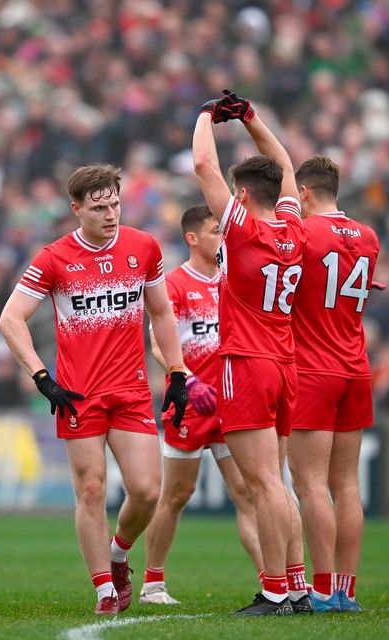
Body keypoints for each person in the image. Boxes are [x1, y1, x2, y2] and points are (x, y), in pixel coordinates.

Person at [0, 164, 189, 615]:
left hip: (131, 389)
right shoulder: (54, 258)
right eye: (99, 207)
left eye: (115, 204)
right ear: (76, 209)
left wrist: (177, 371)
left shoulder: (143, 247)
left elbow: (161, 313)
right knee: (91, 489)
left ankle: (118, 552)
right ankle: (104, 588)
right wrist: (41, 377)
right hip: (79, 394)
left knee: (145, 491)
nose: (110, 214)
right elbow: (10, 318)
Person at [192, 90, 307, 615]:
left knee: (261, 485)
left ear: (241, 192)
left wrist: (205, 114)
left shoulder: (243, 227)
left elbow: (201, 163)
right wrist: (252, 118)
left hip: (246, 362)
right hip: (286, 364)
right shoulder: (293, 226)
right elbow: (284, 164)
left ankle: (276, 591)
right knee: (276, 483)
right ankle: (298, 586)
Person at [140, 204, 263, 606]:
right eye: (215, 231)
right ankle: (152, 583)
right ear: (192, 238)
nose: (223, 237)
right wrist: (186, 379)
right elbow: (158, 342)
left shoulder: (234, 280)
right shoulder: (174, 284)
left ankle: (272, 583)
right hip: (190, 403)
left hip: (231, 402)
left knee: (246, 493)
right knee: (176, 495)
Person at [286, 156, 380, 613]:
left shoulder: (303, 232)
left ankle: (321, 589)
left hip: (313, 367)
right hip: (355, 366)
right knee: (347, 485)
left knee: (310, 485)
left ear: (303, 192)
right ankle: (347, 590)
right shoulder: (368, 236)